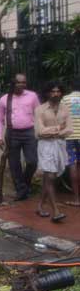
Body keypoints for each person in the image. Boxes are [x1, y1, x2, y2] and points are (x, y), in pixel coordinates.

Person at [0, 73, 41, 201]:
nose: (22, 85)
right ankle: (21, 190)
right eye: (19, 82)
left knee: (32, 162)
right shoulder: (5, 99)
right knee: (14, 164)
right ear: (13, 83)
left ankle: (24, 185)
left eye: (24, 82)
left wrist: (39, 131)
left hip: (29, 133)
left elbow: (39, 115)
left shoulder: (32, 96)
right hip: (11, 134)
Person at [34, 81, 72, 222]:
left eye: (58, 91)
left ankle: (39, 206)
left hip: (60, 145)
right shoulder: (40, 109)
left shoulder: (65, 109)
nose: (56, 94)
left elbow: (69, 129)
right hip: (45, 146)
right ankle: (56, 211)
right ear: (47, 93)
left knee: (49, 177)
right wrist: (58, 129)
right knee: (50, 176)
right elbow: (39, 132)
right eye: (53, 91)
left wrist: (53, 131)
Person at [65, 77, 80, 207]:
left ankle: (77, 199)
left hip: (70, 137)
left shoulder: (65, 100)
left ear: (70, 86)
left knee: (73, 165)